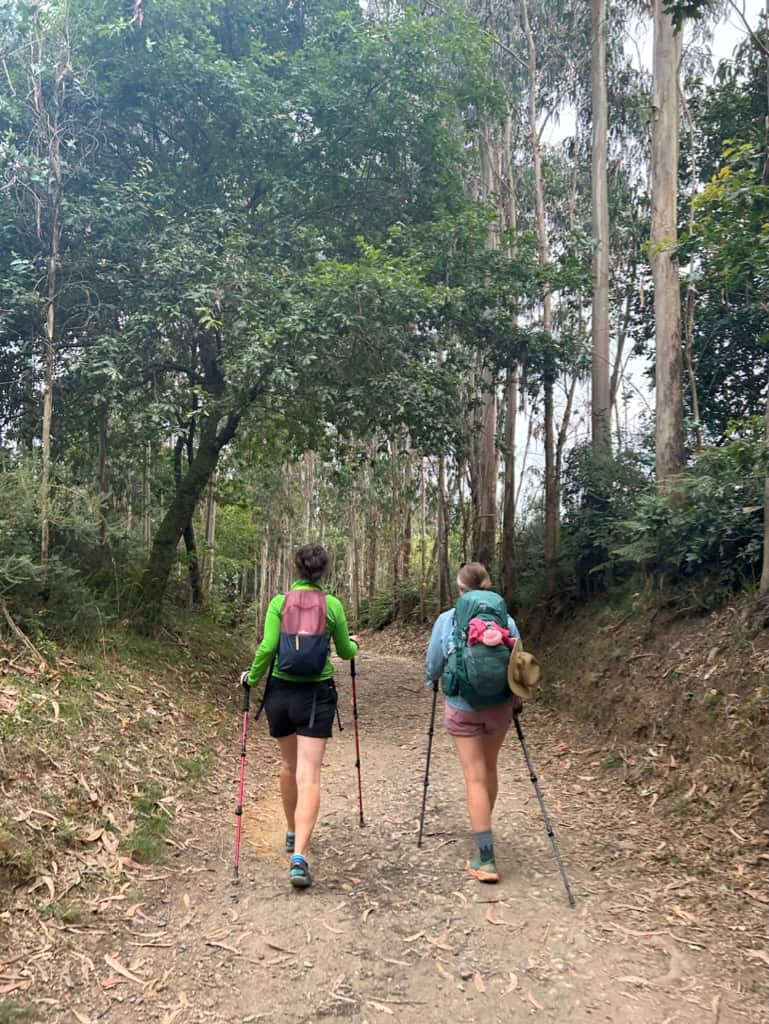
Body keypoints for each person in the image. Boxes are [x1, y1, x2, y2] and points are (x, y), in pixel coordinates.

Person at [242, 543, 358, 889]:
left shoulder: (279, 603)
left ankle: (292, 832)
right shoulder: (332, 605)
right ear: (325, 572)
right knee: (310, 775)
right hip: (315, 696)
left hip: (280, 693)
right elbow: (345, 650)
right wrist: (354, 643)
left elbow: (267, 647)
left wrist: (251, 676)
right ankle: (300, 858)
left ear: (295, 569)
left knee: (289, 766)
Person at [425, 562, 521, 884]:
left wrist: (432, 680)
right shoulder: (506, 619)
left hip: (462, 706)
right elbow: (518, 661)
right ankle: (483, 831)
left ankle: (486, 858)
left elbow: (434, 662)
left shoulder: (447, 619)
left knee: (473, 777)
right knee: (489, 769)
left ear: (461, 589)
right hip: (499, 707)